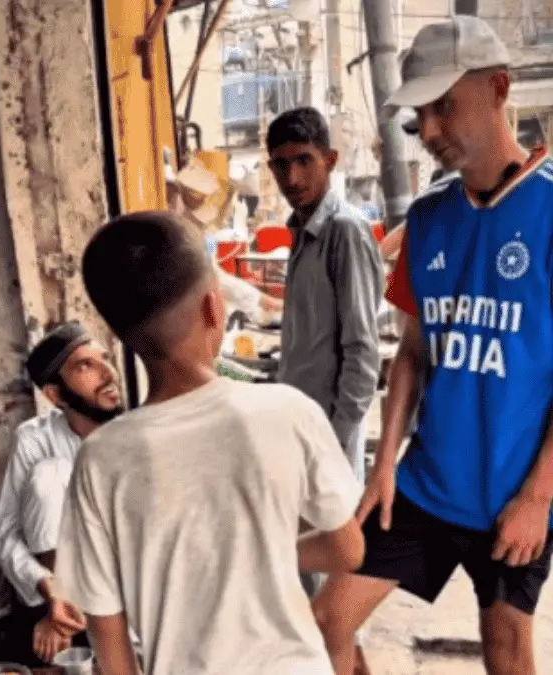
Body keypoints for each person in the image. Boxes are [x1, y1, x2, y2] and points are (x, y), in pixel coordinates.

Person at [312, 17, 553, 675]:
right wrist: (384, 460)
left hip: (515, 488)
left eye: (445, 104)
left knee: (507, 651)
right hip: (424, 480)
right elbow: (414, 352)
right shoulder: (426, 218)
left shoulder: (550, 211)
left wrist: (538, 496)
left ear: (500, 88)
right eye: (422, 111)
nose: (432, 128)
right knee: (324, 626)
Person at [55, 210, 366, 674]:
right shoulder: (288, 411)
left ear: (119, 336)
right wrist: (262, 550)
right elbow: (348, 549)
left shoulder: (100, 460)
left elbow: (110, 641)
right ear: (213, 310)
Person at [265, 106, 384, 673]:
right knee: (323, 612)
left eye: (304, 162)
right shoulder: (303, 229)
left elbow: (362, 356)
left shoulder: (344, 230)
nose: (292, 178)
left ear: (330, 161)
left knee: (327, 610)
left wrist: (332, 451)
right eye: (281, 166)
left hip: (328, 449)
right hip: (302, 444)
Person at [0, 322, 124, 666]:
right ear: (55, 395)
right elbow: (6, 535)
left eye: (105, 359)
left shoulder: (137, 434)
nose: (108, 373)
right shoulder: (34, 439)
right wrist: (49, 587)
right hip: (55, 584)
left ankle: (66, 622)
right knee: (50, 475)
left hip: (119, 587)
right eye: (85, 366)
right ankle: (64, 612)